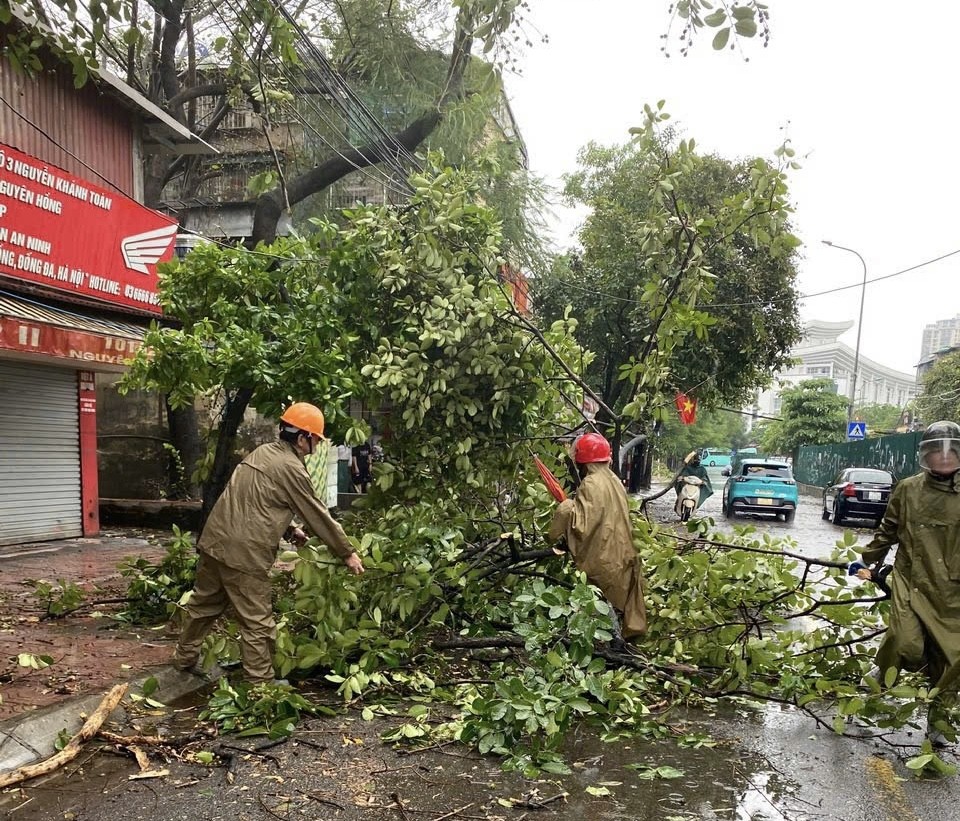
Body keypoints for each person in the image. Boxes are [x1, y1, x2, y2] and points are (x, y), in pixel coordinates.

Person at [174, 402, 365, 684]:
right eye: (315, 439)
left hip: (215, 541)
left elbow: (254, 501)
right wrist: (347, 552)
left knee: (203, 605)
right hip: (245, 554)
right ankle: (261, 686)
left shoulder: (262, 452)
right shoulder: (291, 467)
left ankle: (183, 658)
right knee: (257, 623)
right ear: (303, 438)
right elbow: (317, 513)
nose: (315, 446)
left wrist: (290, 530)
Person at [854, 420, 960, 746]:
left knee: (951, 660)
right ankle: (876, 684)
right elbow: (888, 529)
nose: (943, 458)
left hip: (954, 589)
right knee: (904, 643)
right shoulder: (909, 489)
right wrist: (867, 560)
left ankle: (938, 723)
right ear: (925, 455)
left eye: (950, 452)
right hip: (911, 579)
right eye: (935, 452)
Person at [548, 432, 648, 642]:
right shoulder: (613, 480)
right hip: (623, 555)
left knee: (602, 616)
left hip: (604, 560)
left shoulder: (591, 483)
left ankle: (612, 650)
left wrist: (566, 508)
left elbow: (582, 526)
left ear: (582, 460)